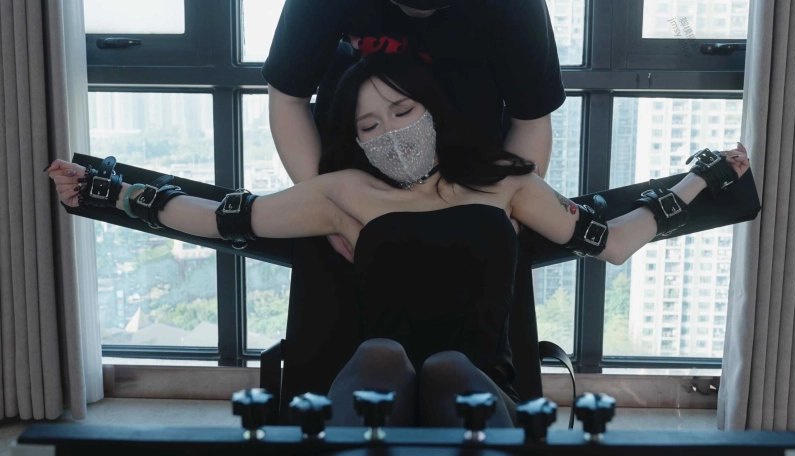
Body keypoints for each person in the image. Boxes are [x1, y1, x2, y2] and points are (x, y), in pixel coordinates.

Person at [47, 53, 750, 428]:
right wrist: (110, 191)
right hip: (375, 383)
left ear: (432, 111)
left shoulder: (507, 183)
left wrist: (701, 178)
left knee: (446, 367)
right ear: (354, 141)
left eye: (402, 109)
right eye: (369, 126)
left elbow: (613, 242)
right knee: (383, 354)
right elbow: (223, 218)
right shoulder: (344, 194)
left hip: (479, 388)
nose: (391, 131)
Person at [264, 0, 567, 260]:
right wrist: (330, 211)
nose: (421, 12)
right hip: (351, 196)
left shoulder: (515, 6)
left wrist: (506, 217)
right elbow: (288, 99)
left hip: (478, 186)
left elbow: (531, 121)